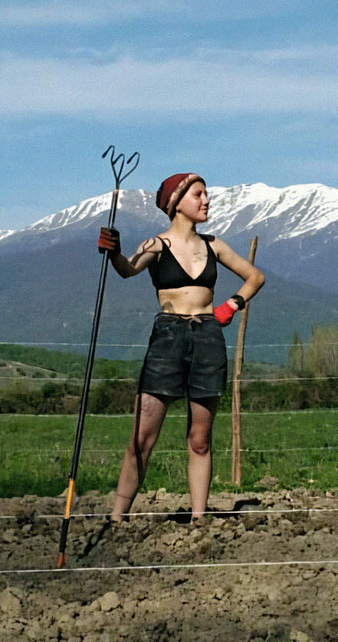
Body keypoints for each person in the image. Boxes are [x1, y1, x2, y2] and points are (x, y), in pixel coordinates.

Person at [96, 173, 265, 521]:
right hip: (168, 339)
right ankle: (116, 518)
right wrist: (112, 252)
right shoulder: (156, 245)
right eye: (198, 194)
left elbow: (255, 277)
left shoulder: (214, 245)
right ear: (176, 202)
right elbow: (127, 270)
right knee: (142, 438)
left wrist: (231, 305)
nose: (206, 201)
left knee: (200, 439)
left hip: (208, 337)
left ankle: (200, 521)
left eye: (206, 195)